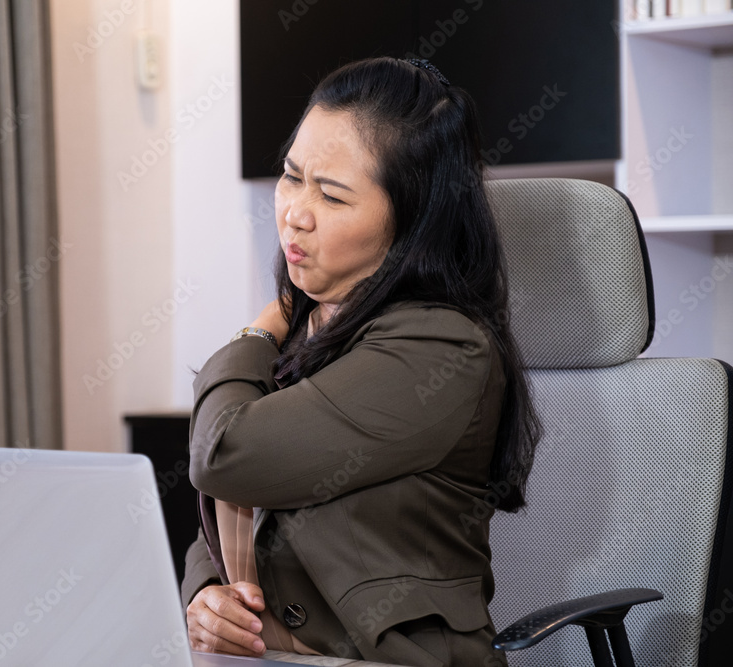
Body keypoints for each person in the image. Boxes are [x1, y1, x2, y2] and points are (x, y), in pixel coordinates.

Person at [180, 56, 541, 667]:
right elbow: (241, 511)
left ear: (411, 220)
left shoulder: (440, 348)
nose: (295, 211)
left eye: (332, 194)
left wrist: (258, 327)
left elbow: (225, 456)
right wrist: (207, 596)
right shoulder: (316, 321)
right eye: (292, 177)